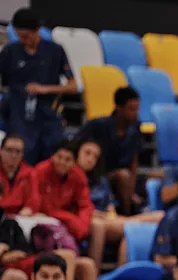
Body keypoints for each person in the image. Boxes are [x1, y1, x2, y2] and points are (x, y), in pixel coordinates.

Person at [0, 9, 78, 165]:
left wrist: (45, 89)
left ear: (37, 30)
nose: (23, 40)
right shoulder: (10, 52)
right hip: (20, 113)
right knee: (23, 153)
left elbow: (73, 86)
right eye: (19, 36)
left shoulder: (55, 51)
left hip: (47, 112)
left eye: (27, 36)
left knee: (53, 153)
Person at [34, 141, 98, 280]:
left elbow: (85, 205)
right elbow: (45, 209)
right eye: (59, 157)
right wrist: (72, 220)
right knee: (68, 257)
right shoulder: (39, 172)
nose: (62, 162)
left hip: (64, 233)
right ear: (52, 157)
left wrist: (82, 226)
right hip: (42, 236)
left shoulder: (78, 176)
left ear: (73, 161)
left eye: (68, 159)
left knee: (88, 266)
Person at [78, 139, 163, 269]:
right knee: (133, 225)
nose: (90, 159)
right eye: (87, 153)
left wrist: (112, 217)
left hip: (110, 220)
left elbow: (110, 206)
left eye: (95, 156)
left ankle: (124, 273)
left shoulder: (100, 180)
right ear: (77, 153)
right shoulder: (72, 179)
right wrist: (104, 217)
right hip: (90, 220)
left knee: (160, 216)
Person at [78, 87, 143, 216]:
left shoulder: (135, 130)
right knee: (123, 175)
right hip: (97, 176)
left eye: (137, 109)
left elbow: (134, 162)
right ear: (119, 108)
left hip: (120, 180)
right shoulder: (97, 126)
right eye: (131, 109)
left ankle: (130, 207)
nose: (136, 113)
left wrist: (132, 190)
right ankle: (127, 215)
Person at [0, 134, 40, 216]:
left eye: (18, 152)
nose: (13, 155)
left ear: (23, 154)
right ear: (1, 151)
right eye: (9, 150)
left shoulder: (30, 173)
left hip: (20, 217)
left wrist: (22, 215)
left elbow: (33, 202)